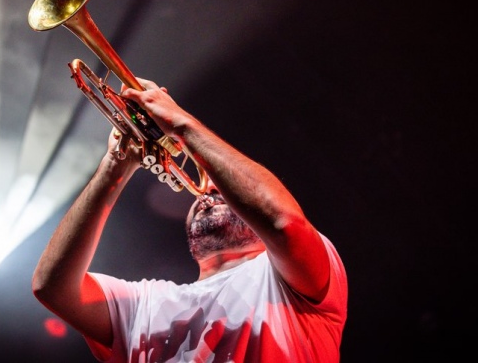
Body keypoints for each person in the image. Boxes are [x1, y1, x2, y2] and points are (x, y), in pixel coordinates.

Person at [32, 78, 348, 362]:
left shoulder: (293, 278)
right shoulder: (145, 304)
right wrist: (115, 163)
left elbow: (284, 224)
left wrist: (181, 123)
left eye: (223, 184)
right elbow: (51, 287)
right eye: (206, 183)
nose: (208, 187)